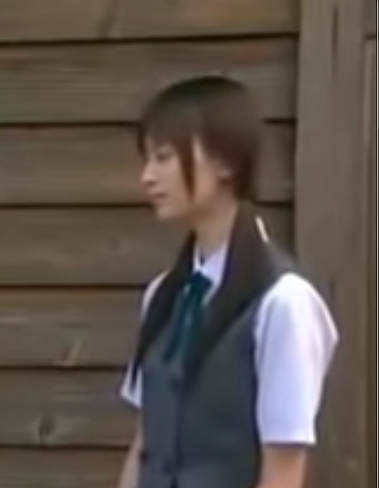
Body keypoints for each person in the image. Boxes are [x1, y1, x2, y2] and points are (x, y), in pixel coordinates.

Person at [116, 76, 338, 488]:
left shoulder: (283, 303)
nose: (147, 176)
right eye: (146, 159)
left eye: (163, 157)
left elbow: (283, 471)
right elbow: (144, 444)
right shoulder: (163, 296)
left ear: (226, 163)